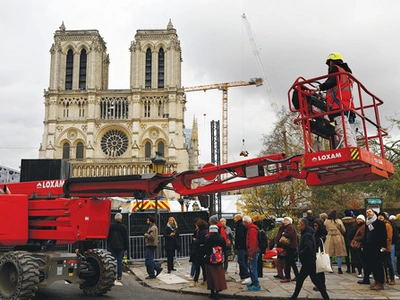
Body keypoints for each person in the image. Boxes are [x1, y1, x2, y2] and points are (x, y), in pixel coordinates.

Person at [311, 52, 357, 147]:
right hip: (348, 106)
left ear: (331, 62)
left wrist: (319, 87)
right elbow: (338, 88)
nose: (329, 66)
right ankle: (353, 146)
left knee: (341, 128)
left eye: (329, 63)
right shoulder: (347, 74)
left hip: (338, 105)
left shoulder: (335, 69)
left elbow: (331, 82)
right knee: (349, 130)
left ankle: (351, 148)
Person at [289, 218, 330, 300]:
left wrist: (300, 252)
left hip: (308, 261)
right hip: (309, 261)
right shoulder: (307, 233)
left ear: (303, 225)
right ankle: (325, 297)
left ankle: (294, 297)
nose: (298, 226)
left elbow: (309, 247)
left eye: (299, 224)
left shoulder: (307, 235)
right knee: (314, 281)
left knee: (301, 280)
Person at [363, 208, 387, 290]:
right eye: (367, 212)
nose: (368, 213)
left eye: (370, 211)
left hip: (377, 246)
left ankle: (380, 282)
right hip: (369, 247)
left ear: (373, 213)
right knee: (372, 265)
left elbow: (384, 235)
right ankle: (376, 280)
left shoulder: (379, 223)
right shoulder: (367, 224)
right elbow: (366, 235)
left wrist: (384, 246)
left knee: (378, 265)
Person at [204, 225, 227, 299]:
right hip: (219, 259)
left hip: (210, 259)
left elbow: (206, 248)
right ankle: (218, 289)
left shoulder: (208, 238)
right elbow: (224, 247)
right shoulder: (221, 238)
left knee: (210, 276)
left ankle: (212, 291)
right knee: (219, 275)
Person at [107, 213, 129, 281]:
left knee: (111, 262)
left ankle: (112, 275)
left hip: (111, 246)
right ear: (121, 219)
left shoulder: (110, 226)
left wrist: (108, 244)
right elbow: (125, 238)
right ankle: (119, 276)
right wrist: (126, 247)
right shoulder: (123, 227)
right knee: (120, 262)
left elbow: (108, 236)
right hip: (120, 247)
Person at [324, 209, 347, 274]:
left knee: (329, 253)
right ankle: (339, 268)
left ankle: (330, 268)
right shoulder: (338, 221)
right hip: (338, 237)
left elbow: (325, 228)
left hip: (329, 237)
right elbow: (343, 230)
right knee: (338, 253)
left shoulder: (326, 221)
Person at [242, 215, 261, 291]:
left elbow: (253, 242)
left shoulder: (252, 229)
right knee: (252, 268)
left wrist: (250, 254)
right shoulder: (252, 228)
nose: (243, 224)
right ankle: (254, 282)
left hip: (253, 251)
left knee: (253, 268)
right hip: (254, 251)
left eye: (243, 222)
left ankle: (256, 285)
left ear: (246, 222)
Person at [377, 212, 395, 285]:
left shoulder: (387, 225)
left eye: (382, 216)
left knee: (388, 263)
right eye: (379, 216)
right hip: (380, 247)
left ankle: (392, 278)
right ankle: (385, 278)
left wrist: (386, 246)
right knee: (382, 263)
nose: (380, 217)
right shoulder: (379, 225)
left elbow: (389, 237)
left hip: (386, 247)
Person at [189, 218, 208, 287]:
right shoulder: (201, 231)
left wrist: (195, 240)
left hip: (200, 251)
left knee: (198, 266)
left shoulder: (202, 232)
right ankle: (205, 279)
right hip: (200, 251)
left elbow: (201, 240)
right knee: (202, 266)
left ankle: (195, 280)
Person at [281, 217, 299, 283]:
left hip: (290, 247)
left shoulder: (289, 227)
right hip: (291, 247)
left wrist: (284, 234)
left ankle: (288, 277)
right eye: (285, 220)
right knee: (292, 262)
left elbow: (290, 235)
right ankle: (297, 276)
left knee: (288, 262)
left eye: (287, 220)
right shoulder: (288, 227)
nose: (285, 221)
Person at [233, 214, 250, 284]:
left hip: (241, 246)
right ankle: (242, 276)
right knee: (243, 261)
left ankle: (247, 275)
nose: (234, 219)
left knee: (241, 261)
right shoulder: (241, 225)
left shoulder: (239, 225)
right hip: (243, 246)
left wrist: (238, 245)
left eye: (235, 218)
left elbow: (240, 237)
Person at [313, 218, 327, 292]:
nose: (315, 227)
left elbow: (320, 245)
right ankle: (320, 285)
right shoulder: (315, 234)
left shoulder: (320, 236)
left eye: (316, 226)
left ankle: (322, 285)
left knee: (319, 272)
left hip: (318, 253)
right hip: (316, 253)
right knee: (317, 271)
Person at [350, 215, 366, 279]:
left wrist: (357, 238)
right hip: (357, 245)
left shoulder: (364, 227)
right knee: (357, 259)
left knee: (364, 259)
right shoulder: (354, 227)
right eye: (358, 219)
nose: (359, 220)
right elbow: (351, 235)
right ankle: (359, 272)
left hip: (362, 244)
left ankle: (367, 272)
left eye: (360, 219)